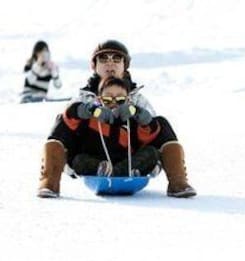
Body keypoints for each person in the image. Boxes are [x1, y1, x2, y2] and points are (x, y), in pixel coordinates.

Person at [38, 39, 196, 198]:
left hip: (131, 158)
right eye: (104, 59)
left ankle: (178, 181)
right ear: (95, 65)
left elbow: (153, 131)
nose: (110, 64)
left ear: (124, 65)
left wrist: (138, 114)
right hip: (92, 156)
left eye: (116, 59)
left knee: (161, 123)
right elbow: (69, 122)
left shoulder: (137, 99)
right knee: (64, 119)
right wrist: (85, 111)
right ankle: (50, 182)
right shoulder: (83, 98)